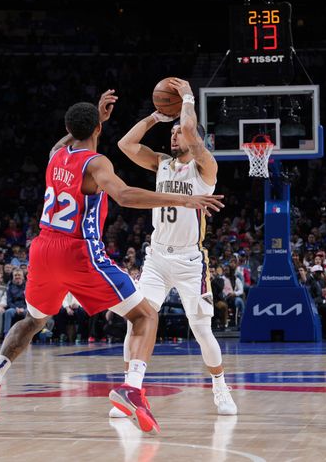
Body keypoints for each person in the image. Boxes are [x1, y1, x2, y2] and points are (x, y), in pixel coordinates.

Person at [0, 90, 224, 435]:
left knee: (33, 320)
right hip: (78, 251)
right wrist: (185, 199)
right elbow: (124, 195)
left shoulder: (55, 154)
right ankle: (132, 389)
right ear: (97, 130)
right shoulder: (96, 163)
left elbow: (75, 137)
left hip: (42, 246)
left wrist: (97, 121)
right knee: (145, 315)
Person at [114, 77, 237, 415]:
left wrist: (186, 100)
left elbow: (191, 132)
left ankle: (220, 386)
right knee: (137, 319)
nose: (174, 134)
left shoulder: (205, 167)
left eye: (178, 132)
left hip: (189, 261)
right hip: (156, 256)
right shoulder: (161, 163)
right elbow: (125, 144)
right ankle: (130, 389)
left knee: (201, 329)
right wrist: (156, 116)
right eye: (172, 133)